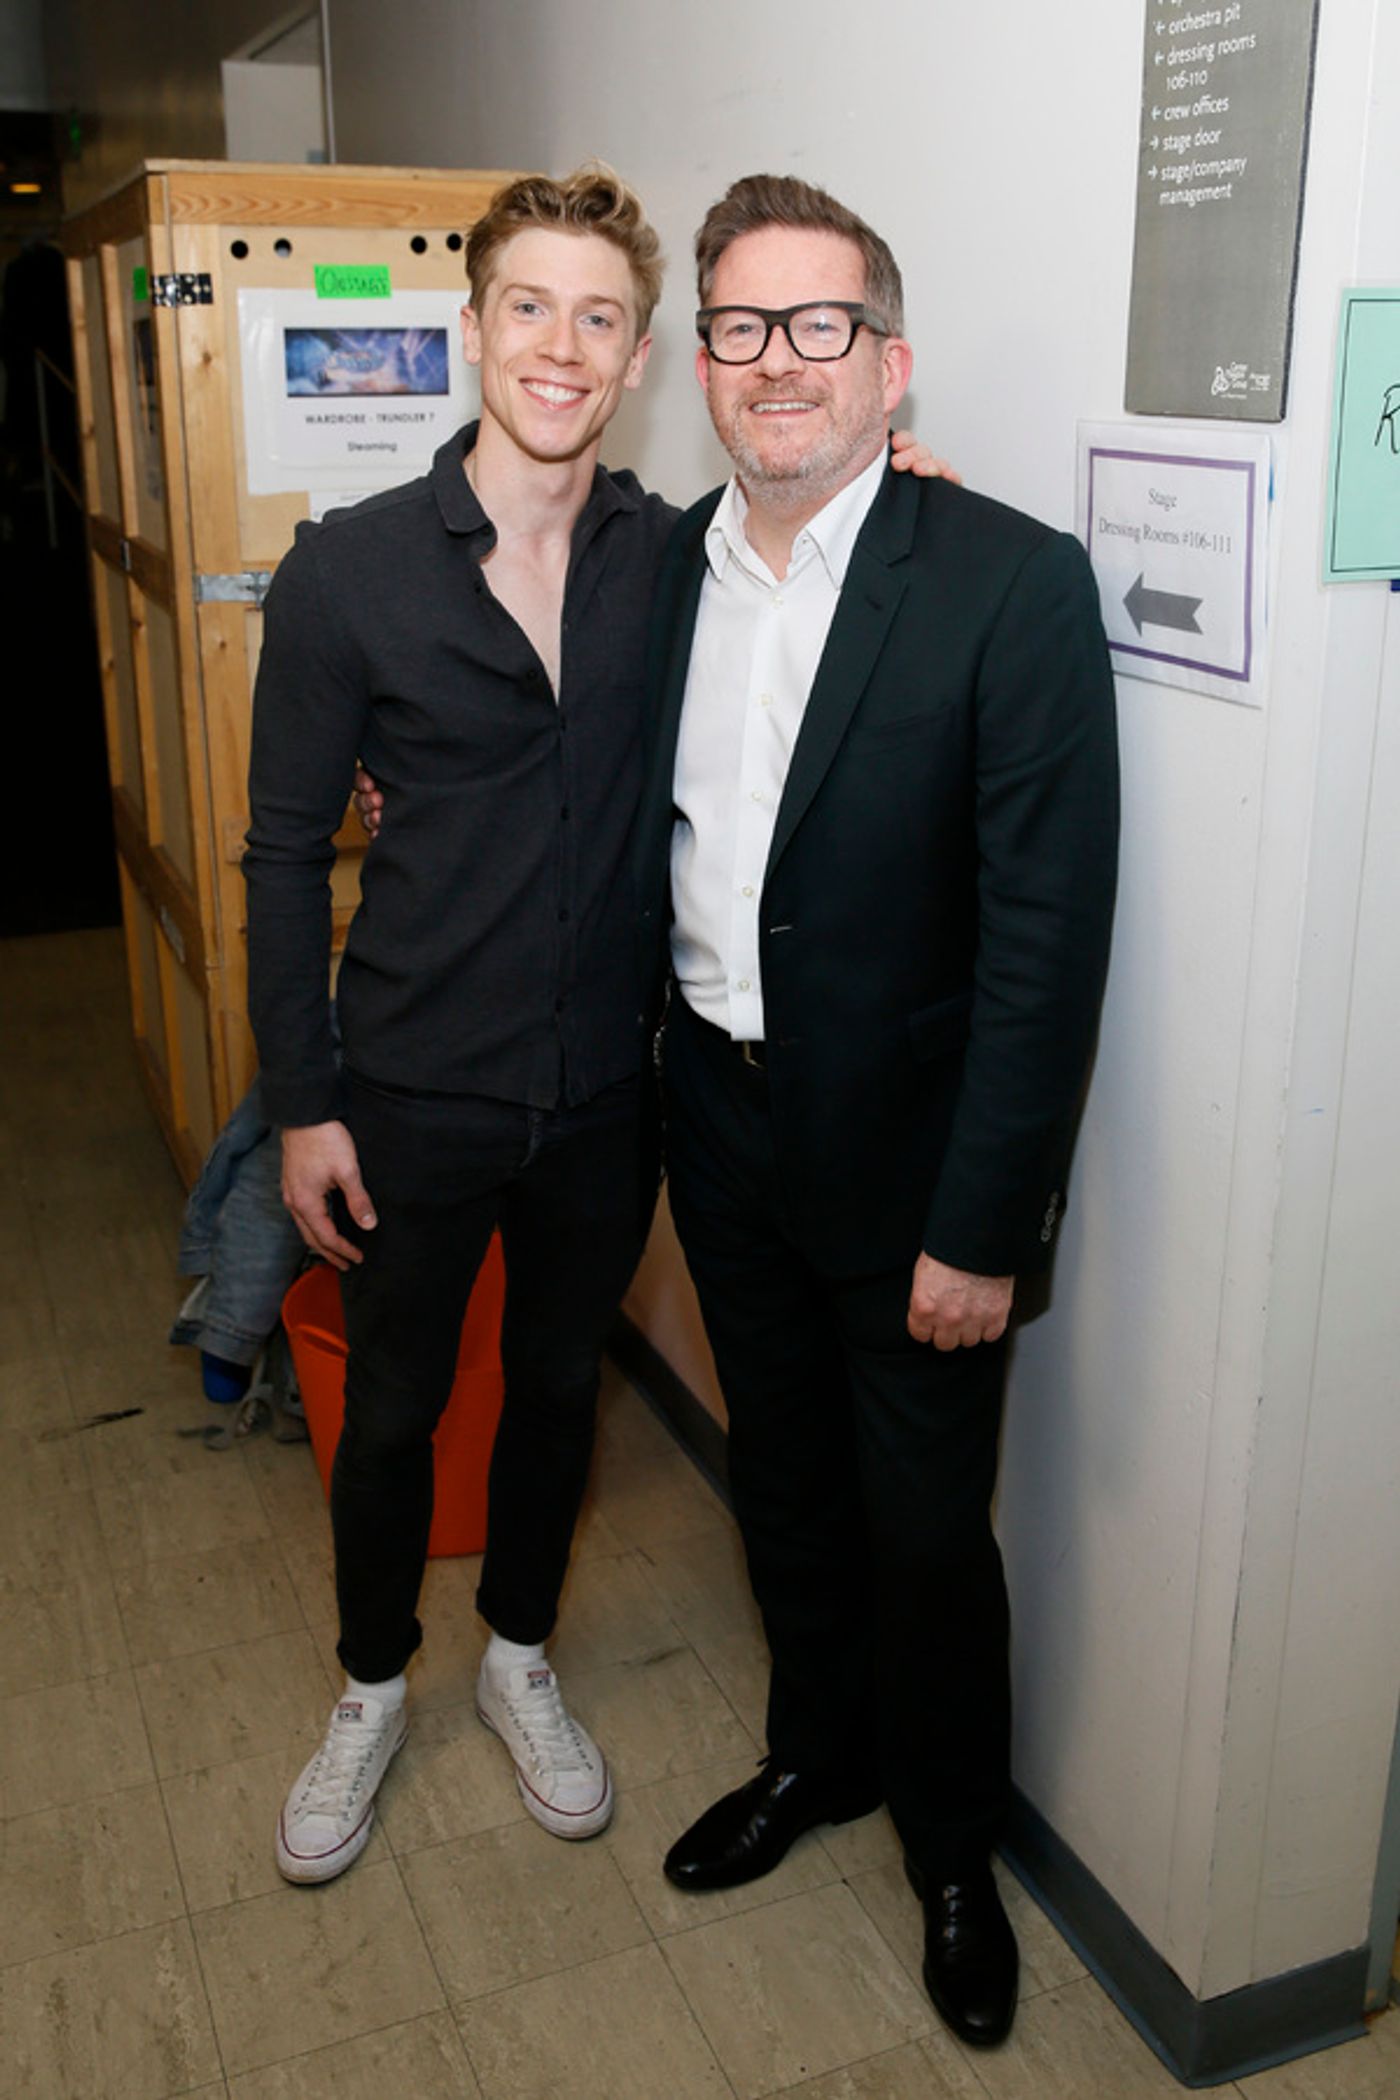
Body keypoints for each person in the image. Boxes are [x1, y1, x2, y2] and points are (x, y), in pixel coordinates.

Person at [245, 165, 945, 1887]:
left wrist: (903, 489)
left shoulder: (676, 559)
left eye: (600, 317)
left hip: (602, 1102)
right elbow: (278, 853)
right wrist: (303, 1105)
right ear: (473, 330)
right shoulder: (346, 573)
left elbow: (822, 547)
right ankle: (369, 1683)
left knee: (560, 1389)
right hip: (407, 1091)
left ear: (639, 360)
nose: (561, 346)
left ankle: (519, 1653)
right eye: (530, 308)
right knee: (396, 1409)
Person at [634, 174, 1119, 2049]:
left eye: (819, 324)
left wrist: (986, 1228)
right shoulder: (661, 574)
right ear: (702, 364)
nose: (779, 362)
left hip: (916, 1169)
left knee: (925, 1533)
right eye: (741, 327)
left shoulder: (1005, 582)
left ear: (888, 364)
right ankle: (814, 1755)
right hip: (719, 1122)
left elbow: (1045, 946)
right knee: (781, 1479)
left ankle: (951, 1852)